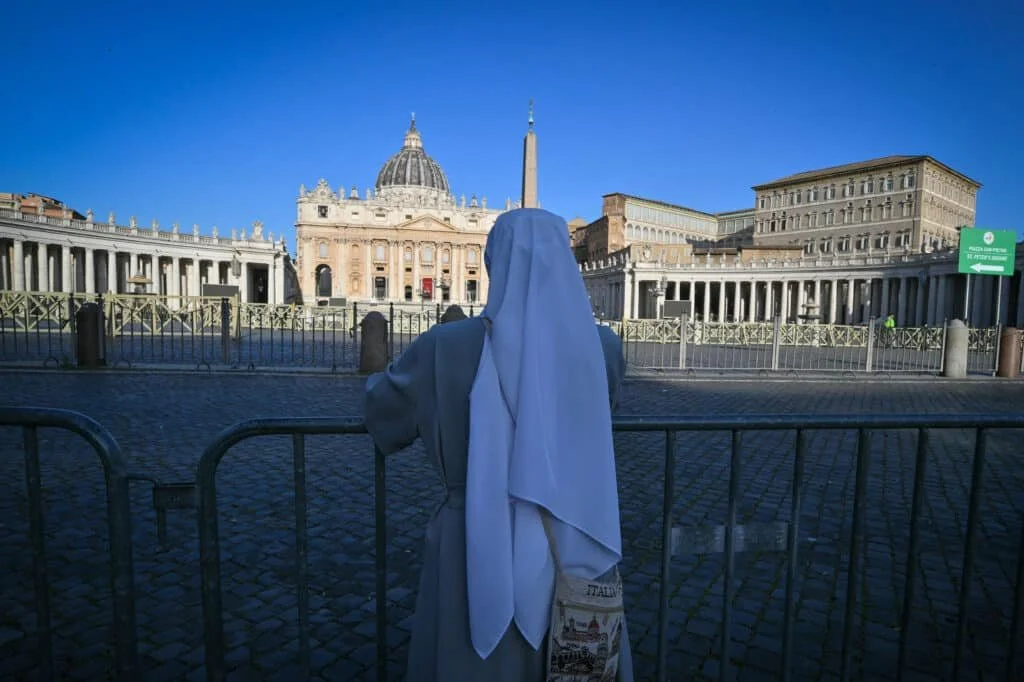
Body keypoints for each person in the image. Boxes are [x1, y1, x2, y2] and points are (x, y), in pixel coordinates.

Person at [364, 208, 634, 681]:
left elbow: (383, 415)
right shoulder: (604, 348)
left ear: (493, 263)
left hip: (467, 540)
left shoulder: (442, 346)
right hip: (573, 537)